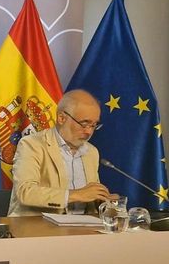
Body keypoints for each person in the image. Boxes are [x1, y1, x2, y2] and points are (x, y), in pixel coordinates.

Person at [8, 88, 112, 216]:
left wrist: (103, 200)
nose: (89, 132)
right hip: (39, 229)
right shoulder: (32, 145)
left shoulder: (92, 152)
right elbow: (26, 192)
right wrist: (76, 195)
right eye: (84, 124)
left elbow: (89, 199)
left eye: (94, 125)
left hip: (83, 229)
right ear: (62, 118)